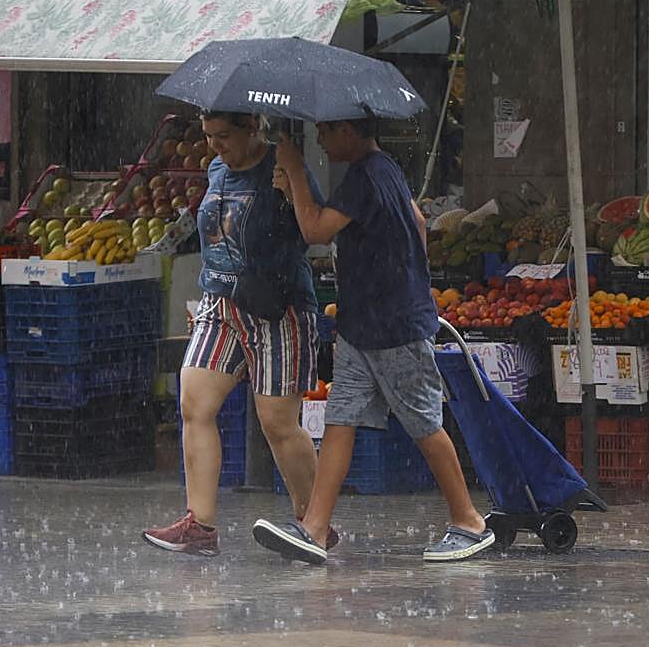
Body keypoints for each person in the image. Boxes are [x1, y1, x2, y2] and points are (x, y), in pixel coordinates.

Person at [250, 117, 495, 564]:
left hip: (393, 327)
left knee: (423, 420)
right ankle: (315, 528)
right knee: (341, 419)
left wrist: (296, 171)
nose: (321, 139)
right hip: (363, 323)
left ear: (348, 129)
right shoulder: (385, 171)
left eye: (326, 132)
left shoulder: (366, 175)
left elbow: (315, 231)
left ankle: (469, 521)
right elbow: (418, 222)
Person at [142, 112, 337, 556]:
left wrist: (292, 189)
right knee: (194, 403)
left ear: (253, 128)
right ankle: (200, 524)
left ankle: (313, 522)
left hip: (277, 306)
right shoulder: (215, 170)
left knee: (278, 423)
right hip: (220, 303)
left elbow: (311, 232)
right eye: (209, 136)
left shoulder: (283, 168)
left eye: (224, 136)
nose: (215, 146)